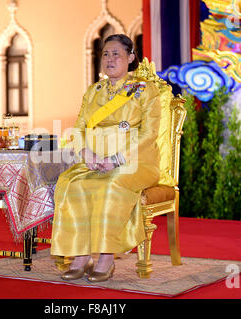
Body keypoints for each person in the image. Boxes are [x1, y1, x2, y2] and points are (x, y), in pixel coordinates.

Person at [51, 34, 173, 282]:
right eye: (105, 54)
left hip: (137, 162)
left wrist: (116, 159)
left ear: (130, 57)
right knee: (69, 183)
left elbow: (150, 134)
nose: (109, 59)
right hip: (95, 160)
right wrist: (86, 153)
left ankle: (106, 257)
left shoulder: (145, 91)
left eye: (116, 53)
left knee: (110, 184)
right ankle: (81, 255)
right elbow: (79, 127)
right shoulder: (93, 91)